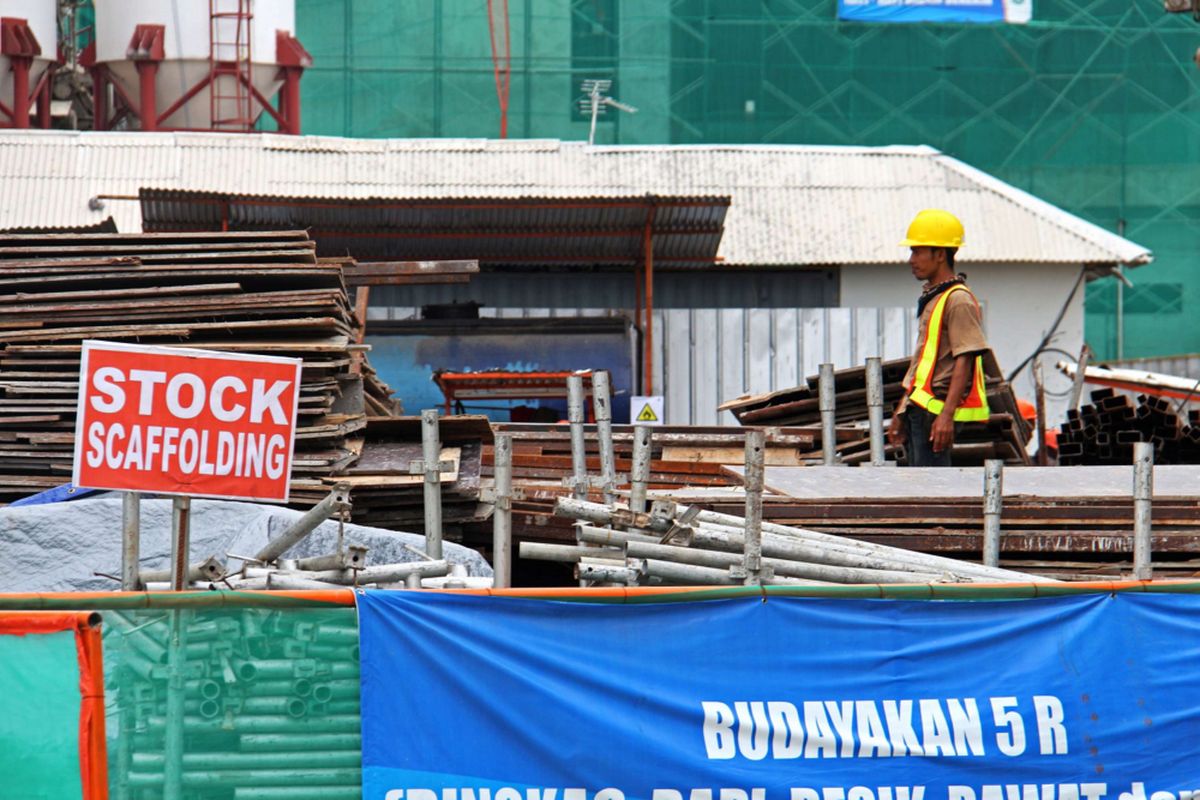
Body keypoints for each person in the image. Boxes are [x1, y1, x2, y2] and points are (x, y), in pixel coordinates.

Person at [886, 209, 990, 467]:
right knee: (921, 492)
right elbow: (921, 365)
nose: (912, 259)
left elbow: (964, 360)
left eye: (918, 251)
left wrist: (946, 415)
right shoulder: (936, 297)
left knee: (933, 495)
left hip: (935, 413)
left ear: (940, 254)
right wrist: (902, 411)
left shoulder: (958, 300)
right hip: (920, 410)